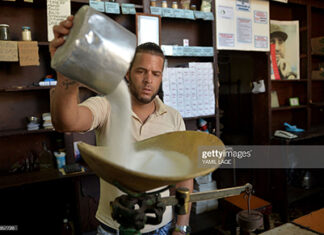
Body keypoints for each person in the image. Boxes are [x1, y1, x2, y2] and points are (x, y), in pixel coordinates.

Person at [49, 16, 193, 235]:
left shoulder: (173, 118)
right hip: (114, 227)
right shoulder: (107, 105)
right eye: (141, 71)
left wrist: (181, 226)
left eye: (155, 74)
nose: (148, 80)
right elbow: (66, 122)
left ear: (161, 77)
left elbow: (184, 175)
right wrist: (66, 75)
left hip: (162, 226)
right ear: (127, 73)